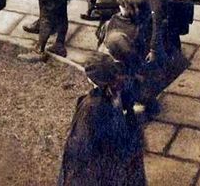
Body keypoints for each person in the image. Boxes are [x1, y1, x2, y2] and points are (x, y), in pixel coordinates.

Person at [58, 52, 146, 186]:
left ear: (91, 79)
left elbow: (81, 145)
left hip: (99, 165)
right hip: (118, 157)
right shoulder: (118, 88)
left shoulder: (92, 106)